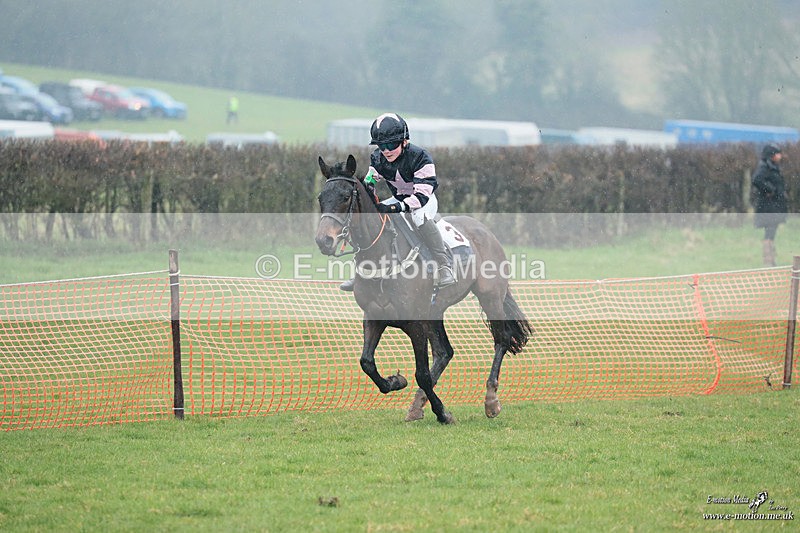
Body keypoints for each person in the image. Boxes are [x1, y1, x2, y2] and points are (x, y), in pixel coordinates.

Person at [340, 112, 456, 291]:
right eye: (381, 145)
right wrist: (367, 190)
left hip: (423, 201)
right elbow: (371, 178)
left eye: (391, 144)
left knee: (418, 217)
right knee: (372, 218)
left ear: (404, 141)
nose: (386, 150)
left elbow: (422, 195)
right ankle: (360, 271)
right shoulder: (378, 157)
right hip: (400, 198)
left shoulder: (421, 157)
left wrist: (397, 206)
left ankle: (444, 264)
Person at [751, 143, 788, 267]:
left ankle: (771, 259)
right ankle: (768, 260)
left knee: (772, 232)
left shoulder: (772, 167)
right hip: (768, 206)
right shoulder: (765, 167)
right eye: (777, 153)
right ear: (771, 155)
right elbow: (757, 180)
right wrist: (770, 190)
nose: (780, 156)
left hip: (773, 205)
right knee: (770, 232)